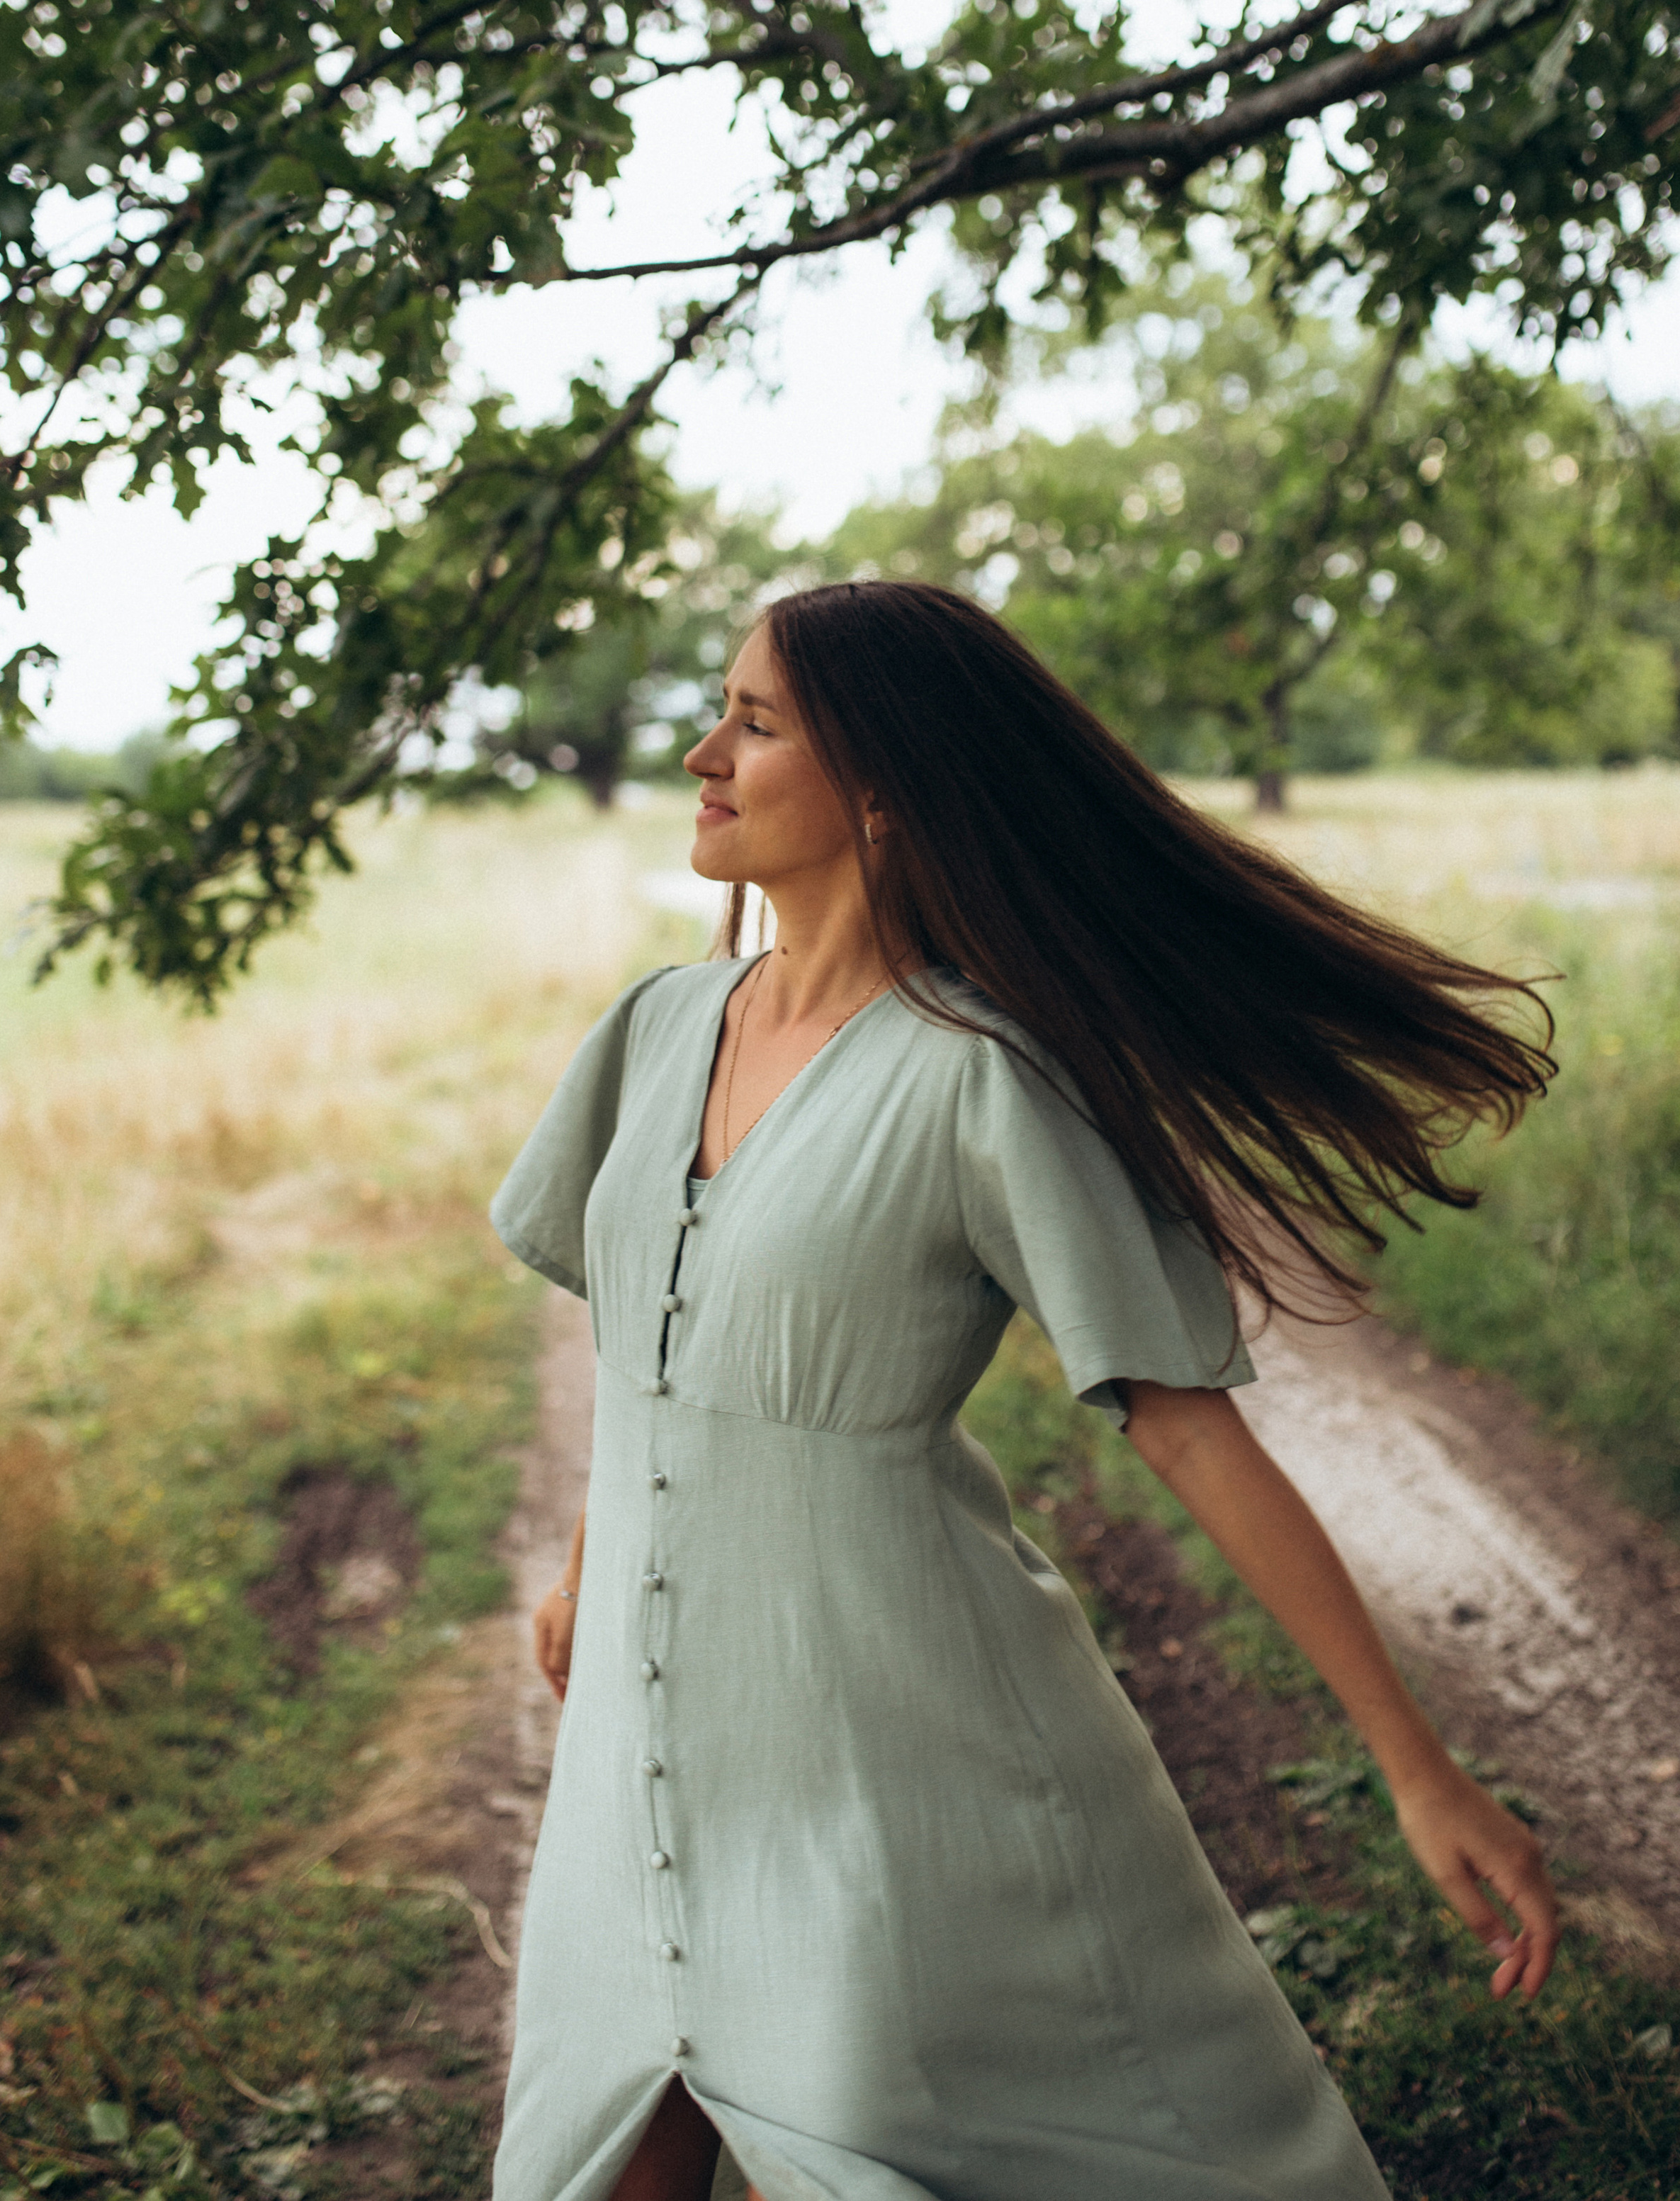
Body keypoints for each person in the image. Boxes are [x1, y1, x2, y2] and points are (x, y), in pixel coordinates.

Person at [492, 580, 1560, 2201]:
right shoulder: (654, 1030)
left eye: (755, 723)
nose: (703, 754)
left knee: (842, 2141)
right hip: (637, 1741)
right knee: (602, 2153)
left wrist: (1412, 1765)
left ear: (884, 790)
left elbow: (1185, 1425)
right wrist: (589, 1557)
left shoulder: (978, 1076)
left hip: (875, 1744)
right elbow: (643, 1340)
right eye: (718, 712)